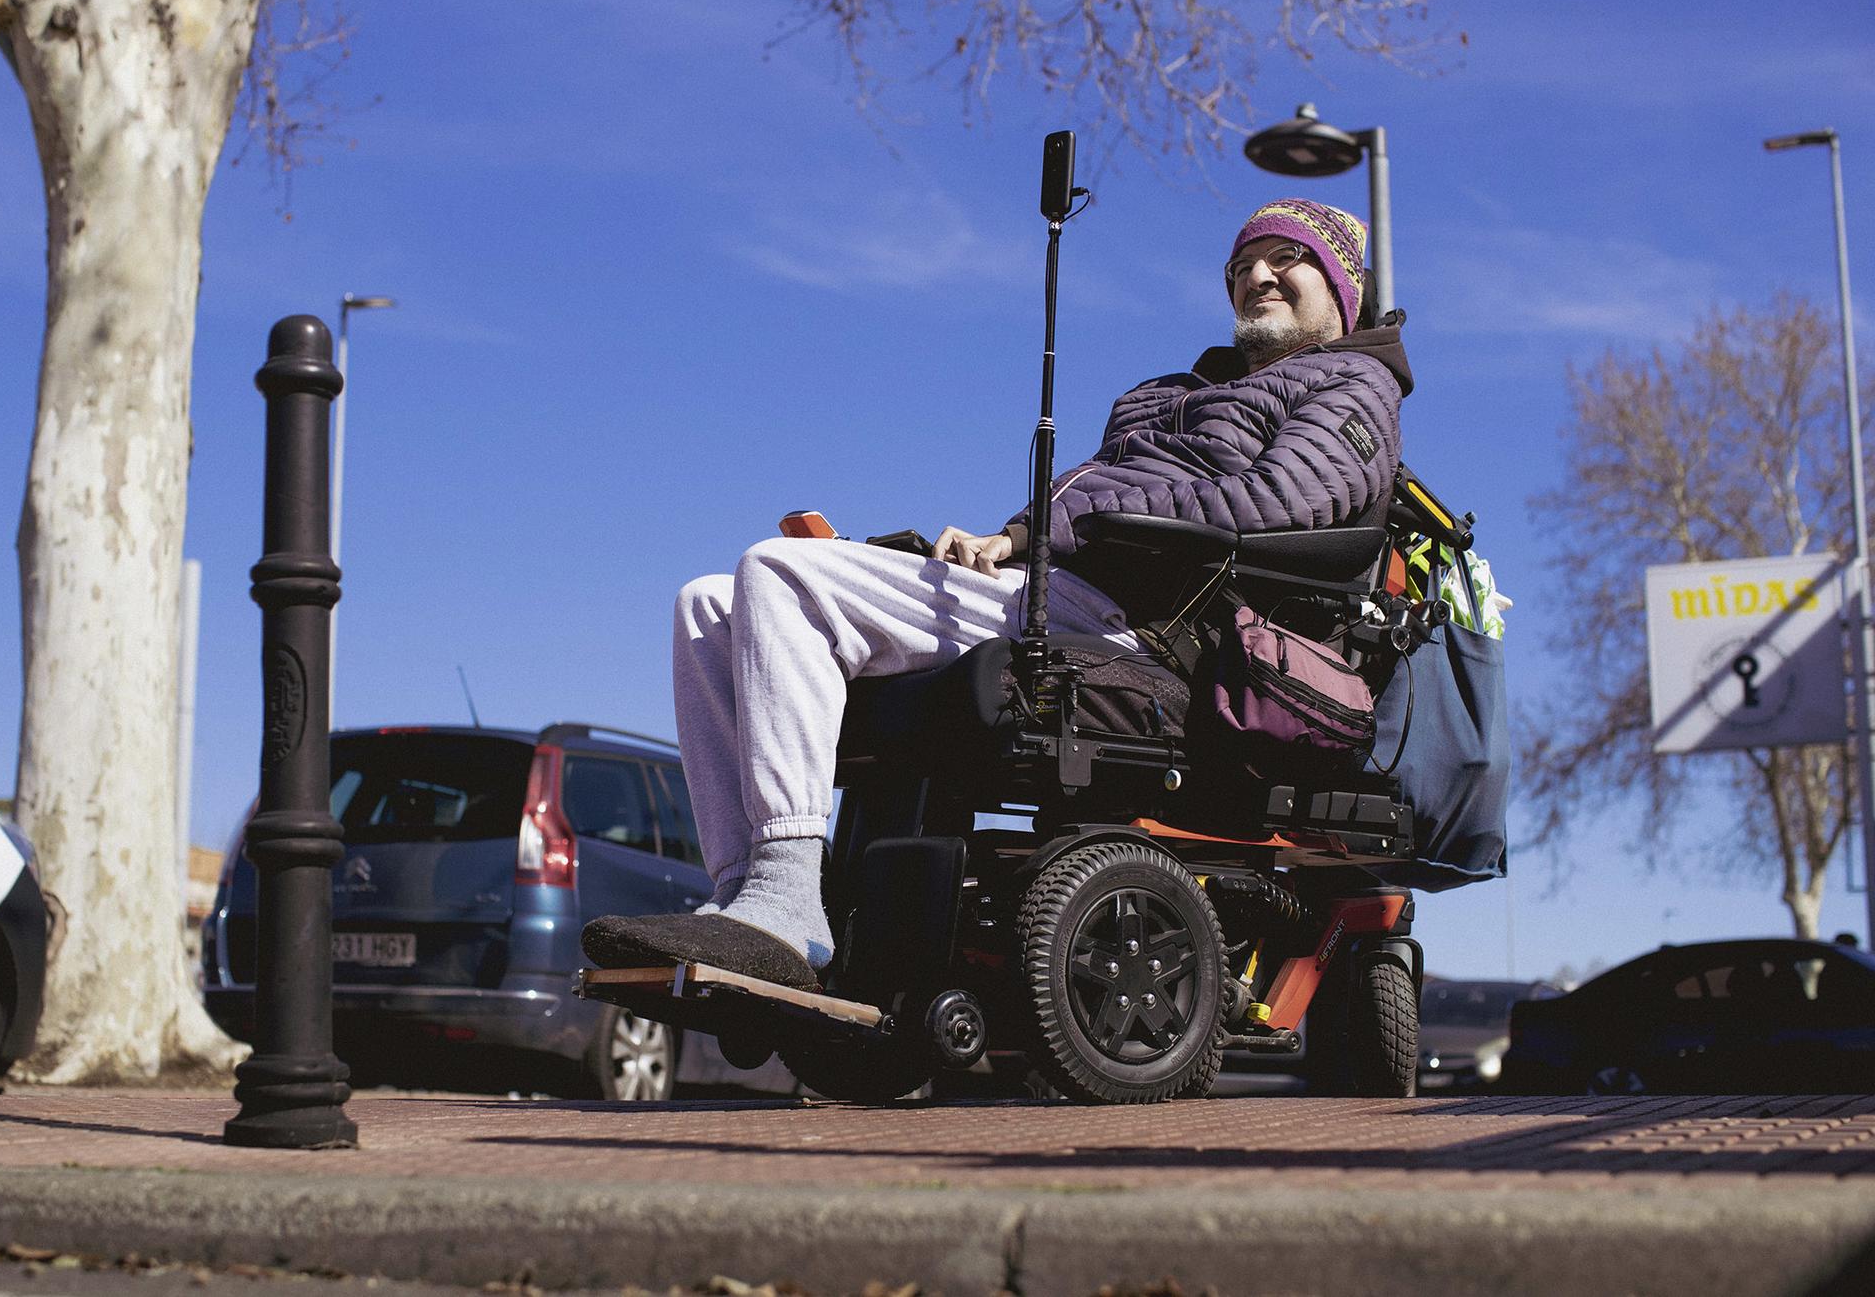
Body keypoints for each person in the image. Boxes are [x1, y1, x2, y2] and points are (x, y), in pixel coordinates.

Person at [583, 198, 1413, 990]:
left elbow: (1274, 508)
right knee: (708, 604)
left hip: (1159, 622)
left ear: (1342, 287)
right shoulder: (1174, 392)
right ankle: (746, 896)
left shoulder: (1353, 386)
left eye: (1287, 259)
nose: (1258, 276)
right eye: (1242, 265)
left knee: (778, 570)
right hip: (1059, 584)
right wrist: (1009, 538)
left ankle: (789, 908)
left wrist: (1076, 532)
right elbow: (1077, 498)